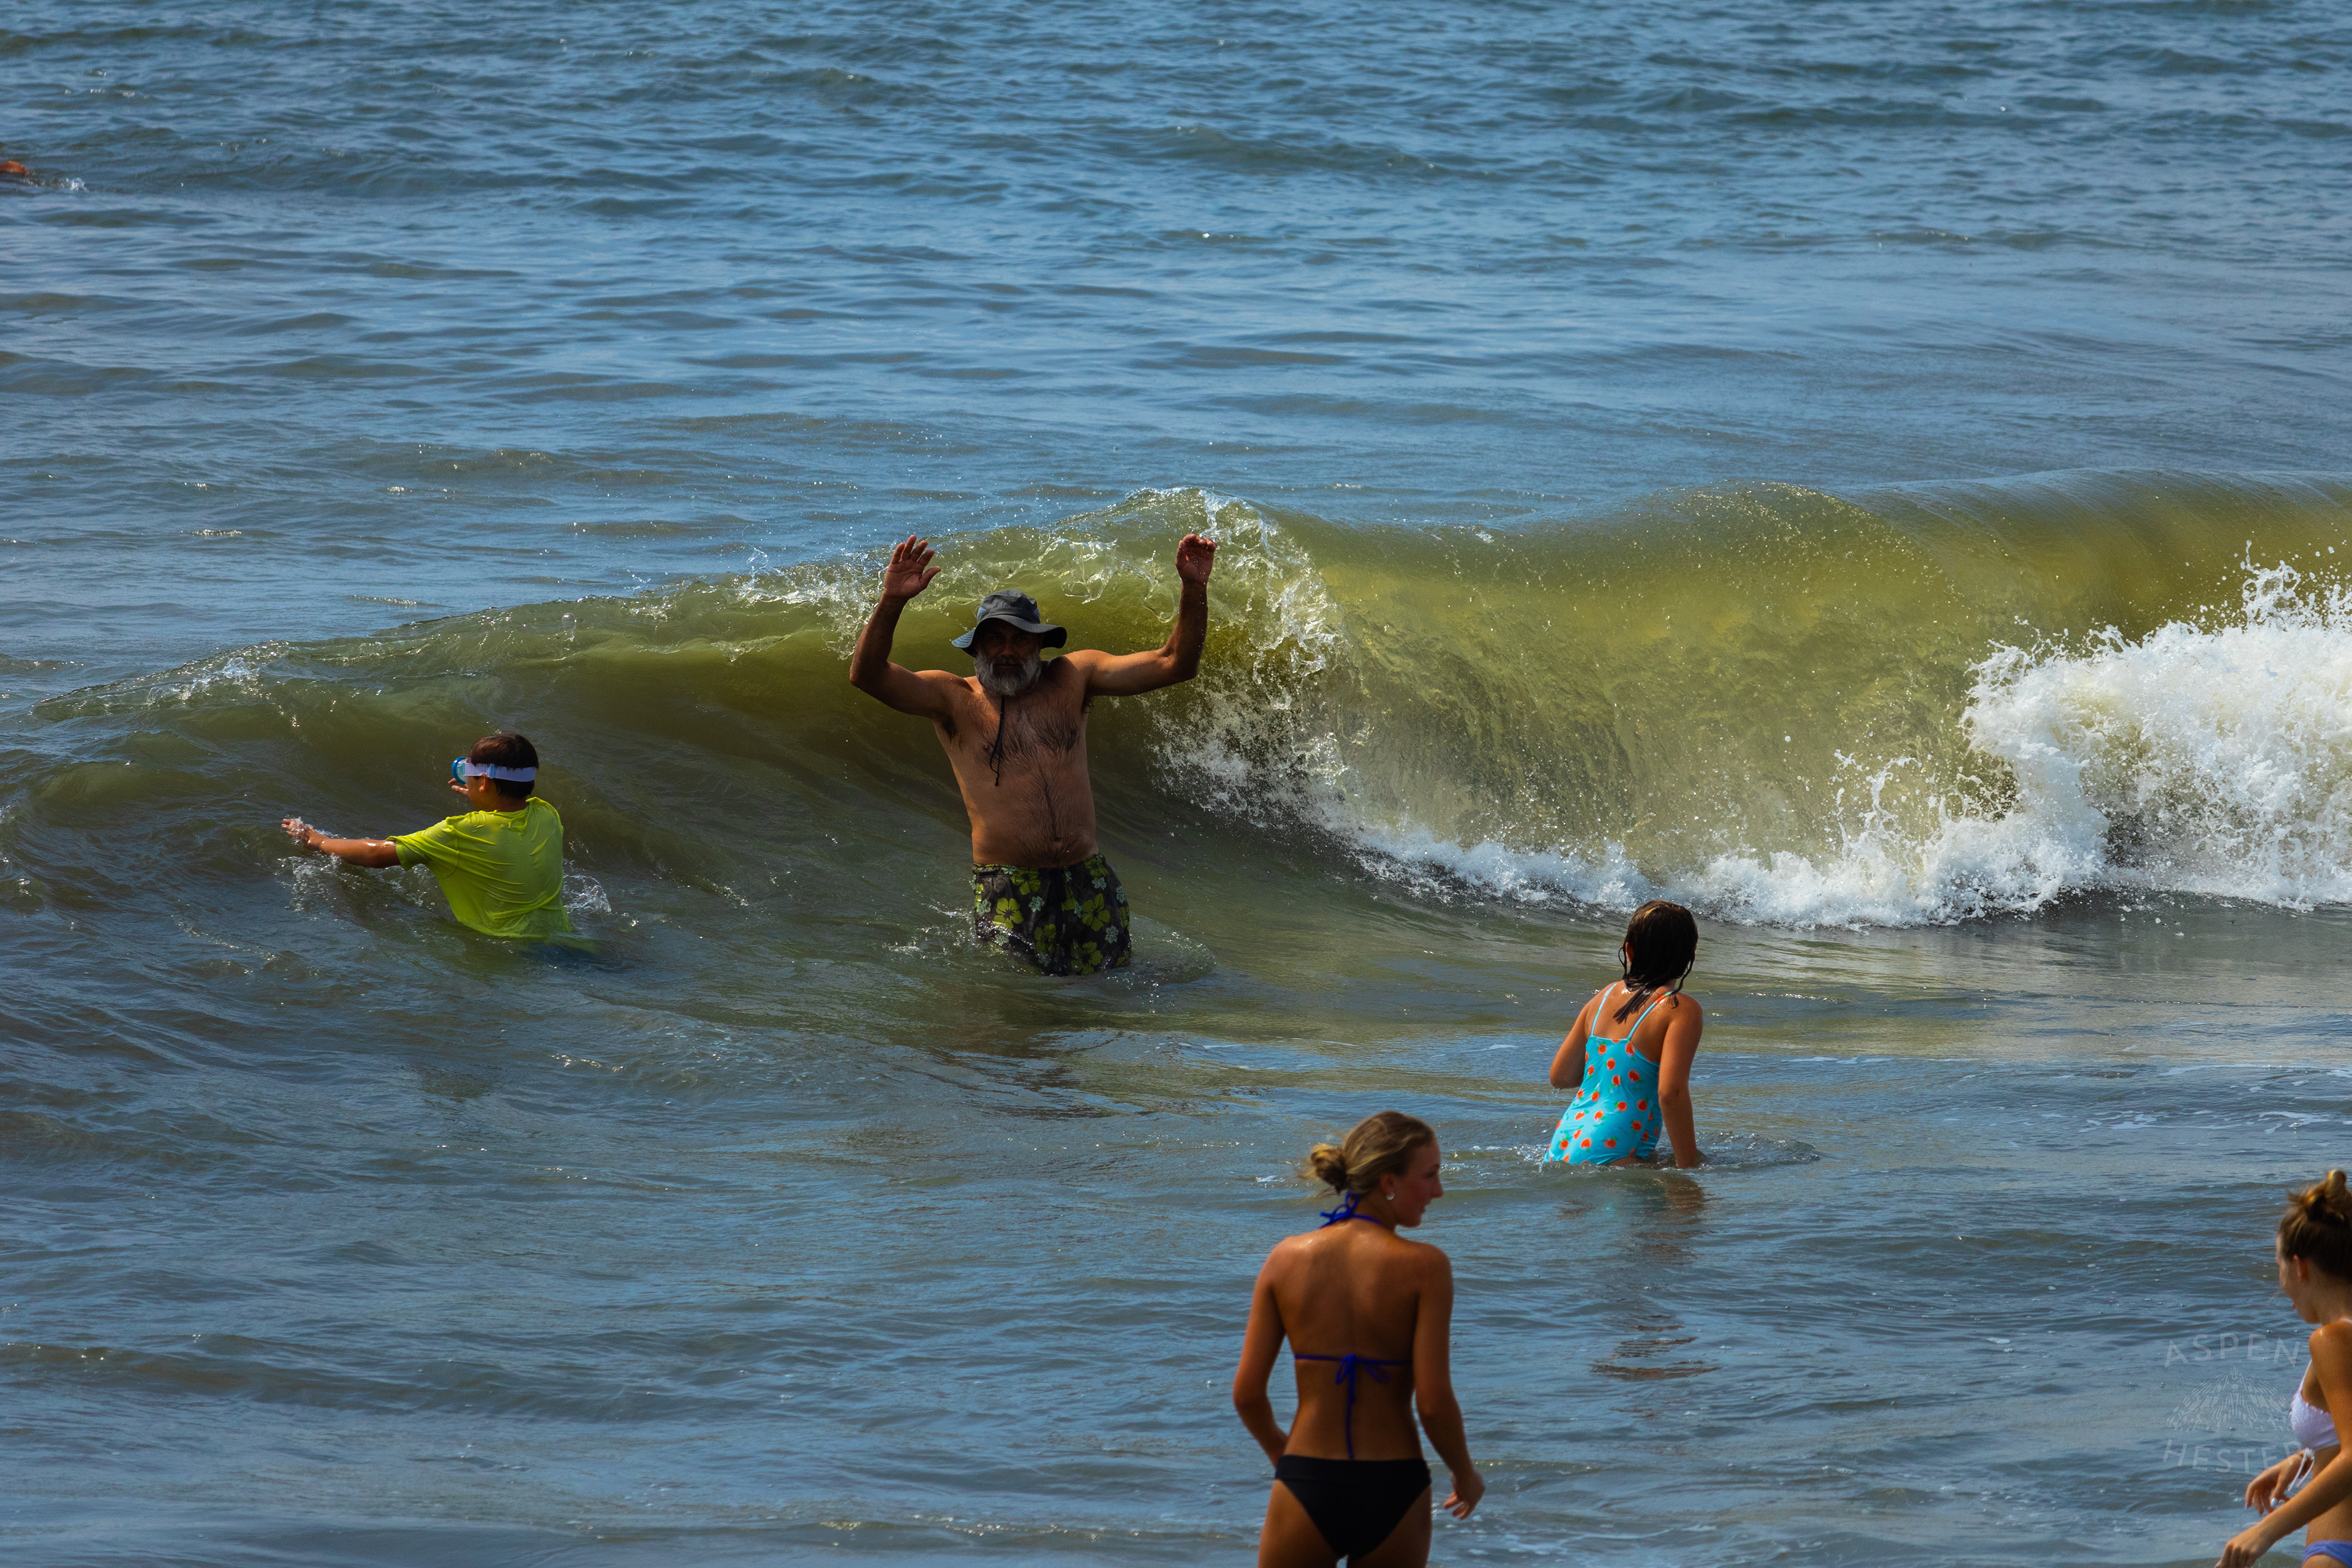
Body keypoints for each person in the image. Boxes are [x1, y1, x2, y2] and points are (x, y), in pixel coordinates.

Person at [846, 530, 1216, 976]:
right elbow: (867, 676)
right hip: (1010, 887)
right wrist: (892, 602)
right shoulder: (953, 699)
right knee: (1021, 1015)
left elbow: (1176, 664)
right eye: (994, 639)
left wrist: (1194, 588)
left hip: (1089, 879)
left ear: (1040, 644)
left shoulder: (1074, 677)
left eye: (1019, 639)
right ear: (976, 646)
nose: (1007, 651)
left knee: (1109, 1003)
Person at [1232, 1111, 1483, 1567]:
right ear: (1389, 1181)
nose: (1439, 1191)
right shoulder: (1426, 1268)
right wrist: (1464, 1473)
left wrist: (1284, 1460)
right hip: (1393, 1486)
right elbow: (1432, 1401)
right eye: (1430, 1176)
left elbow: (1248, 1395)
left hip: (1306, 1478)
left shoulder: (1284, 1259)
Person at [278, 732, 572, 940]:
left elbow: (376, 854)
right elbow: (503, 822)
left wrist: (317, 840)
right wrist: (482, 798)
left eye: (464, 771)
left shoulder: (458, 832)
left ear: (483, 781)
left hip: (510, 947)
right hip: (561, 937)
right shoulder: (547, 813)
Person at [2220, 1171, 2352, 1568]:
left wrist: (2266, 1531)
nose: (2281, 1286)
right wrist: (2307, 1458)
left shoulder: (2331, 1341)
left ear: (2300, 1267)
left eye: (2279, 1266)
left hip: (2337, 1549)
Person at [1542, 899, 1704, 1168]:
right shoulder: (1679, 1008)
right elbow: (1671, 1093)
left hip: (1564, 1144)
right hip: (1614, 1152)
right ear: (1691, 954)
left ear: (1629, 950)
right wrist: (1688, 1167)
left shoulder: (1604, 997)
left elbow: (1560, 1076)